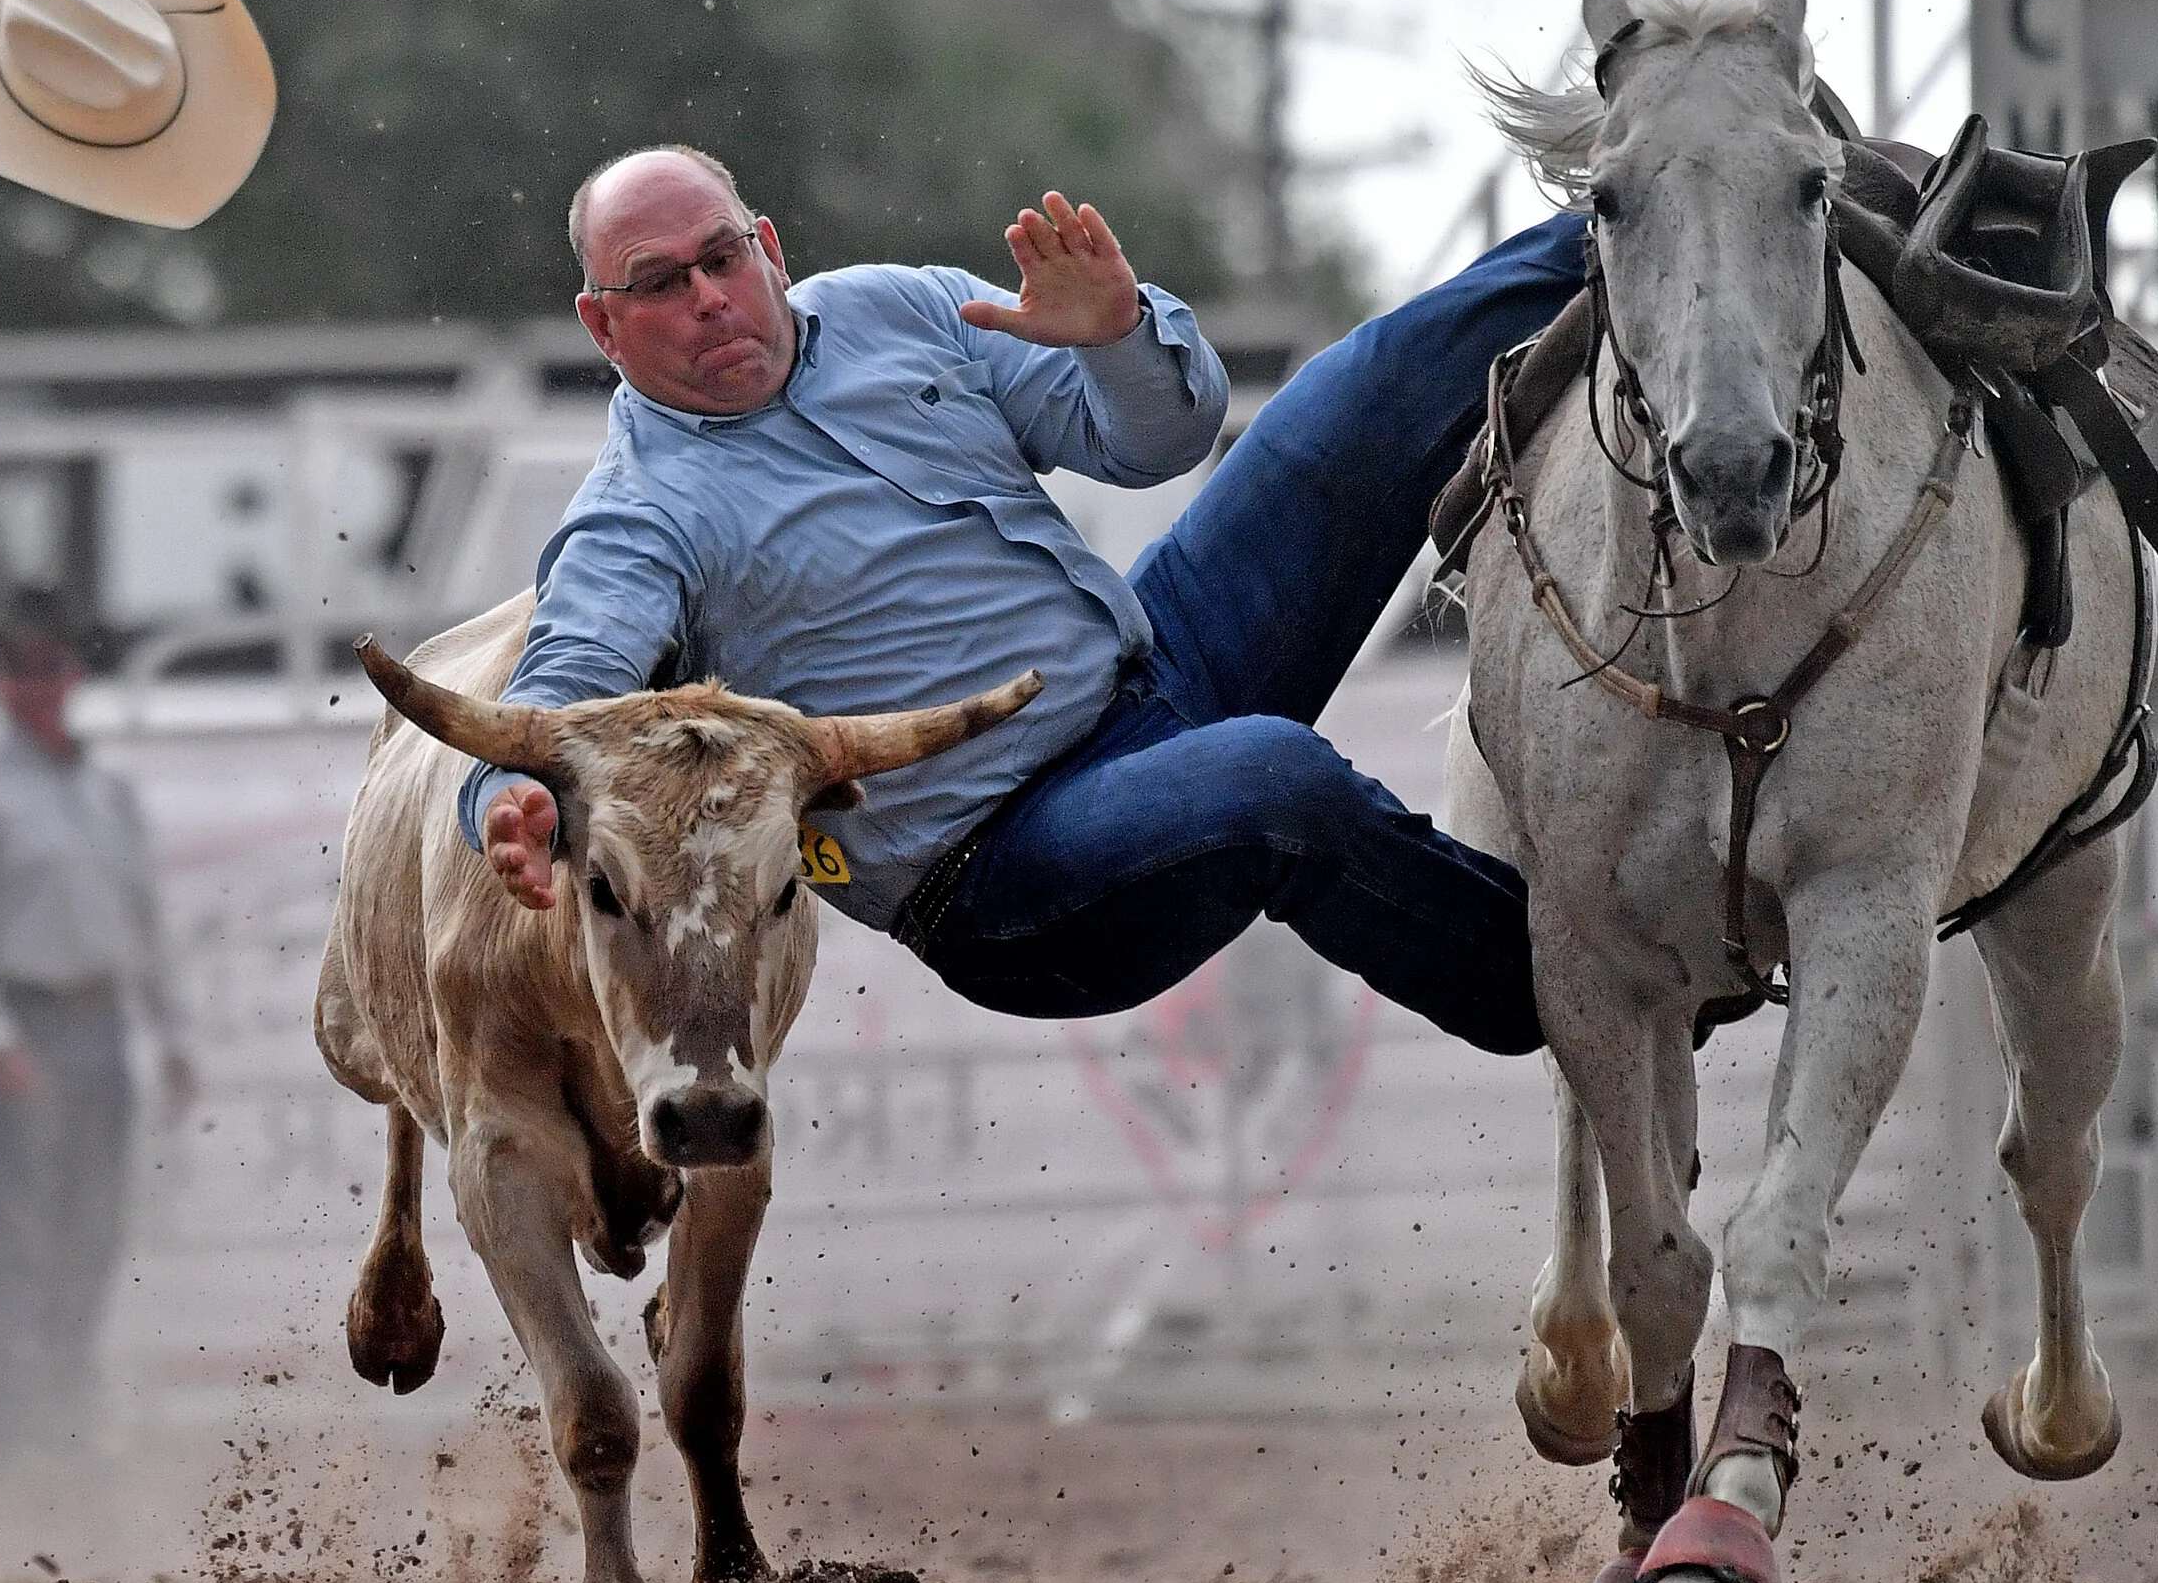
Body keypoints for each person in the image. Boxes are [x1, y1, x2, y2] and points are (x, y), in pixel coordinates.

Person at [463, 144, 1588, 1054]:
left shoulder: (895, 308)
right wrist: (512, 804)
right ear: (603, 327)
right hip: (1005, 877)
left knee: (1369, 378)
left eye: (720, 259)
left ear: (767, 245)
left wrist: (1117, 340)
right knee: (1271, 776)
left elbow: (1152, 442)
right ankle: (1579, 995)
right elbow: (559, 698)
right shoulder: (636, 515)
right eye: (660, 284)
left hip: (1154, 671)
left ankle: (1656, 207)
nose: (709, 299)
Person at [0, 586, 195, 1463]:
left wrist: (172, 1033)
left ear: (73, 673)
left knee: (92, 1224)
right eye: (20, 669)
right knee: (18, 1227)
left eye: (50, 666)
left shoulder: (107, 793)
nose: (38, 684)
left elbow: (143, 923)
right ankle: (2, 1431)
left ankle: (66, 1413)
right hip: (30, 1021)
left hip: (100, 1022)